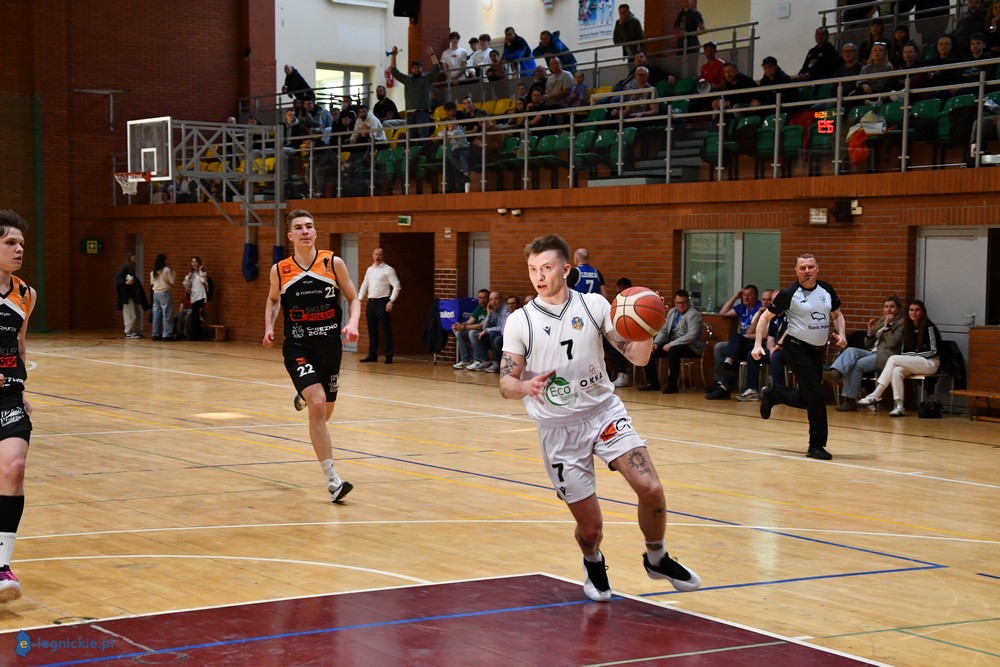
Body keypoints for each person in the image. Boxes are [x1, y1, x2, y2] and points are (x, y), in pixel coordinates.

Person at [499, 234, 701, 603]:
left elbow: (638, 357)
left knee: (651, 488)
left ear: (566, 269)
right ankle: (592, 560)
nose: (539, 276)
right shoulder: (520, 321)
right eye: (532, 269)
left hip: (603, 412)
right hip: (558, 429)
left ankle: (656, 557)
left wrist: (647, 327)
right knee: (591, 528)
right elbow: (505, 382)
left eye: (546, 268)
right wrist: (525, 386)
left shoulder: (593, 305)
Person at [262, 209, 360, 502]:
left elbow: (353, 298)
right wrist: (269, 326)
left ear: (315, 233)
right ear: (290, 236)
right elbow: (272, 299)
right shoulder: (281, 270)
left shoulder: (333, 263)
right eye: (299, 228)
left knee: (325, 413)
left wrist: (353, 322)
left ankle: (305, 391)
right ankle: (333, 480)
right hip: (298, 347)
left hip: (329, 347)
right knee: (317, 406)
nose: (305, 231)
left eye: (309, 226)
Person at [753, 253, 847, 461]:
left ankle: (775, 394)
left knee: (808, 398)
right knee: (817, 395)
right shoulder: (789, 293)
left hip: (816, 351)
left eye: (810, 267)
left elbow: (838, 315)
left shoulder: (826, 289)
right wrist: (758, 344)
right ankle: (816, 446)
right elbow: (765, 318)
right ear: (796, 271)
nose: (807, 271)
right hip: (796, 349)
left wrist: (842, 335)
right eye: (802, 268)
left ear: (817, 269)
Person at [0, 211, 36, 604]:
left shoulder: (26, 294)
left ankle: (1, 566)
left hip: (8, 395)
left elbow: (20, 345)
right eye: (10, 242)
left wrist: (20, 386)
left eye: (21, 243)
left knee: (14, 466)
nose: (19, 249)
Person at [857, 300, 941, 417]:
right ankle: (899, 407)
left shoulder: (929, 327)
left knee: (893, 359)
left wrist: (914, 355)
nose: (914, 312)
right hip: (915, 363)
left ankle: (876, 394)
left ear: (922, 312)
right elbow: (905, 351)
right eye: (911, 310)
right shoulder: (908, 328)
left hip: (930, 363)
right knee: (897, 371)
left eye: (917, 310)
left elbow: (934, 350)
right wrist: (912, 355)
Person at [825, 295, 904, 411]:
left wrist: (887, 326)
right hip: (872, 352)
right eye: (886, 307)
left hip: (887, 357)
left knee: (857, 364)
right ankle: (835, 372)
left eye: (892, 307)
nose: (889, 309)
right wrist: (870, 333)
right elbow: (867, 344)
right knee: (851, 350)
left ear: (898, 308)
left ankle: (850, 401)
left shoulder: (901, 324)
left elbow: (893, 343)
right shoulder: (881, 321)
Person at [638, 290, 704, 394]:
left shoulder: (693, 314)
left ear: (688, 302)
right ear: (674, 303)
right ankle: (653, 383)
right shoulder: (672, 312)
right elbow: (664, 330)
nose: (681, 305)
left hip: (690, 346)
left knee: (674, 351)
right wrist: (656, 343)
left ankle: (672, 385)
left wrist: (671, 344)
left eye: (683, 303)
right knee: (649, 350)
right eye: (678, 303)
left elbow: (691, 336)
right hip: (672, 343)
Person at [710, 284, 762, 398]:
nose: (746, 298)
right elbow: (722, 312)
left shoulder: (760, 307)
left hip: (753, 341)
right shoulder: (742, 307)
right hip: (741, 341)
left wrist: (746, 336)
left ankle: (725, 382)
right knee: (719, 347)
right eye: (744, 295)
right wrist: (735, 297)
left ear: (756, 296)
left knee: (736, 339)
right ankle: (720, 381)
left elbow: (752, 332)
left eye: (749, 295)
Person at [357, 247, 401, 364]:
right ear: (373, 255)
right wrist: (359, 299)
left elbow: (397, 286)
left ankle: (389, 355)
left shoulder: (388, 270)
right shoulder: (370, 269)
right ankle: (372, 354)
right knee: (372, 330)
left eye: (380, 255)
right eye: (376, 254)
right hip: (371, 302)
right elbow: (365, 284)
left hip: (383, 302)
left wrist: (391, 301)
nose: (377, 257)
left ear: (383, 256)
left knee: (386, 329)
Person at [389, 45, 441, 139]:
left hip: (423, 111)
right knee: (410, 138)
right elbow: (394, 71)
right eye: (414, 67)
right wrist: (394, 56)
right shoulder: (407, 80)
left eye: (419, 67)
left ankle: (424, 148)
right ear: (411, 69)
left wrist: (432, 54)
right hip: (410, 113)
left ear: (422, 68)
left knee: (423, 136)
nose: (417, 69)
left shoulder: (426, 79)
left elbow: (437, 68)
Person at [452, 289, 490, 370]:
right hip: (478, 333)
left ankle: (478, 360)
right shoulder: (479, 308)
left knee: (472, 332)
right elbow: (470, 321)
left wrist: (464, 327)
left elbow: (481, 325)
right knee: (460, 333)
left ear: (488, 299)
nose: (482, 300)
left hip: (487, 334)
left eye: (484, 298)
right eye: (480, 298)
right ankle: (465, 360)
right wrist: (460, 325)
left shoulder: (490, 309)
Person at [115, 252, 148, 339]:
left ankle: (135, 331)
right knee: (130, 315)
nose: (135, 261)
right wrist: (125, 282)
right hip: (127, 296)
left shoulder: (130, 269)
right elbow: (117, 280)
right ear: (129, 259)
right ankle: (128, 331)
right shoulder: (124, 268)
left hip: (132, 296)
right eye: (134, 259)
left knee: (136, 314)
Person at [182, 256, 209, 341]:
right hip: (193, 296)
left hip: (200, 295)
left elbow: (203, 281)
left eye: (195, 262)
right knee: (195, 315)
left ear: (199, 263)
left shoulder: (203, 273)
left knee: (195, 313)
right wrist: (188, 278)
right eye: (192, 262)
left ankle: (196, 335)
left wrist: (200, 270)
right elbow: (186, 285)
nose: (193, 263)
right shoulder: (191, 274)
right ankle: (196, 335)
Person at [150, 253, 175, 341]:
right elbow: (172, 281)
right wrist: (174, 274)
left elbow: (151, 283)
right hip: (164, 293)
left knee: (156, 314)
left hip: (155, 293)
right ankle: (166, 334)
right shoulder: (166, 270)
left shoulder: (153, 271)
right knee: (167, 314)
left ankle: (156, 334)